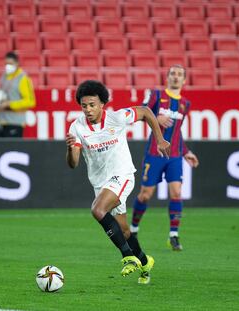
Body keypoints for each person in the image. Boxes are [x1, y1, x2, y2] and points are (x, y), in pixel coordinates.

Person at [65, 80, 170, 284]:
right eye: (84, 105)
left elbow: (147, 112)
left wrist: (159, 139)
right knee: (123, 230)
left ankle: (127, 257)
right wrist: (70, 149)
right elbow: (73, 163)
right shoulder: (76, 127)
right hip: (101, 183)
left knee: (97, 210)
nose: (88, 109)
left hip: (122, 174)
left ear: (102, 103)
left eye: (92, 105)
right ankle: (145, 262)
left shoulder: (117, 118)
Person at [130, 65, 199, 251]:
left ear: (184, 80)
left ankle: (173, 236)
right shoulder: (156, 95)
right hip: (155, 153)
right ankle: (133, 229)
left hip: (175, 156)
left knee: (176, 193)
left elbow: (177, 132)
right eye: (173, 74)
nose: (176, 77)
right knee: (145, 195)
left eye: (179, 75)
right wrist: (155, 119)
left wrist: (186, 152)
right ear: (167, 77)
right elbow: (140, 112)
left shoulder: (185, 103)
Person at [0, 51, 36, 138]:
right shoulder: (4, 76)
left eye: (10, 63)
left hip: (14, 123)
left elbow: (30, 102)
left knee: (11, 150)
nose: (8, 66)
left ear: (17, 63)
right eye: (6, 63)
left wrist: (9, 104)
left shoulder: (23, 79)